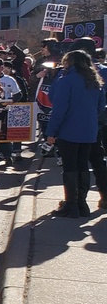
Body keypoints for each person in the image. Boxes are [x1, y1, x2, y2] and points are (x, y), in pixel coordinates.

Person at [46, 49, 107, 218]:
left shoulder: (66, 80)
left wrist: (52, 132)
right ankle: (82, 203)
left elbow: (58, 106)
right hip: (89, 130)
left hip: (69, 129)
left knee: (70, 166)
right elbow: (101, 106)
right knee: (82, 165)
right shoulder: (95, 80)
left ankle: (71, 204)